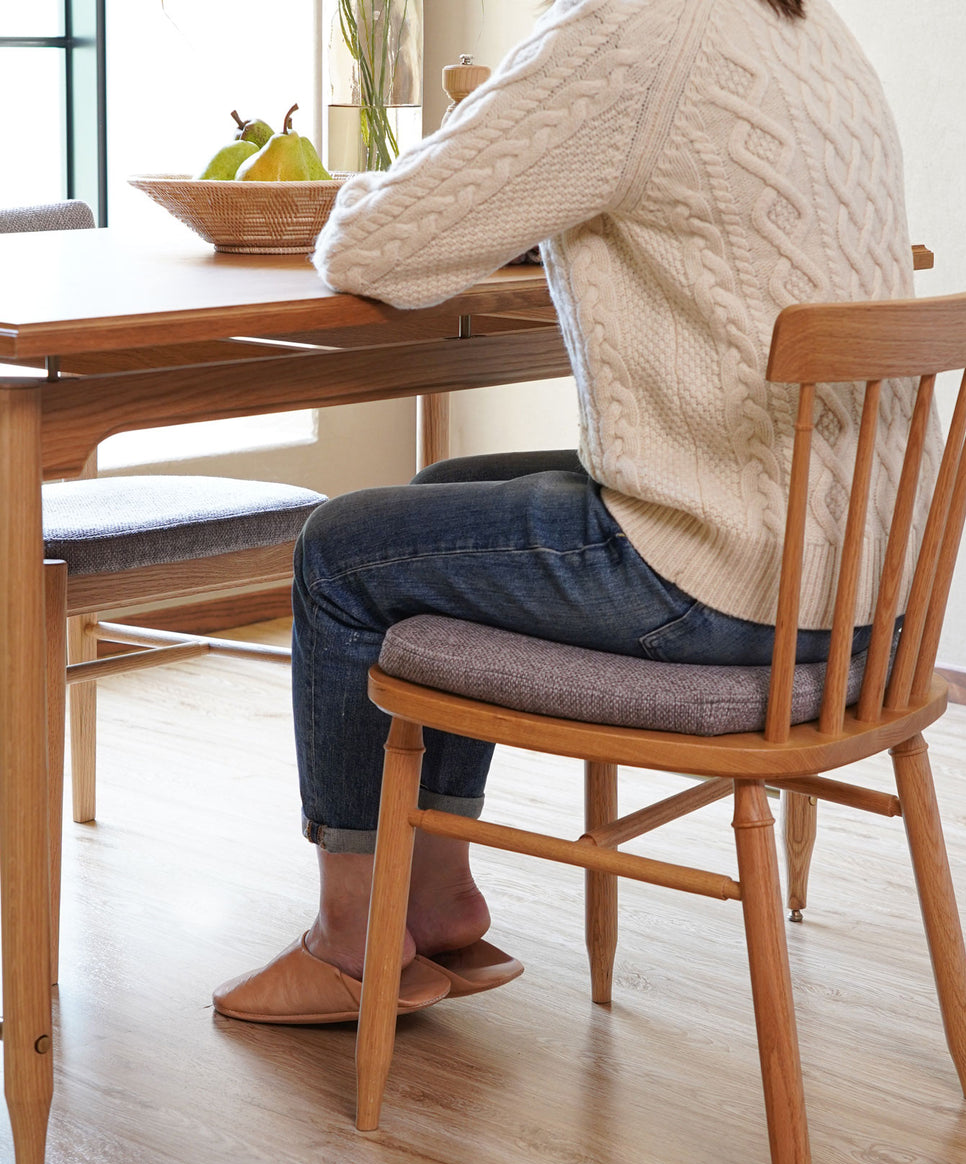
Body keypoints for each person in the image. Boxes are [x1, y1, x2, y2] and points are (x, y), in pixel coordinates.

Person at [213, 0, 928, 1023]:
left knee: (338, 553)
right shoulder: (813, 31)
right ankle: (441, 898)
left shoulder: (630, 22)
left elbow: (373, 249)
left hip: (728, 584)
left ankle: (351, 946)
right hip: (859, 574)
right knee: (436, 502)